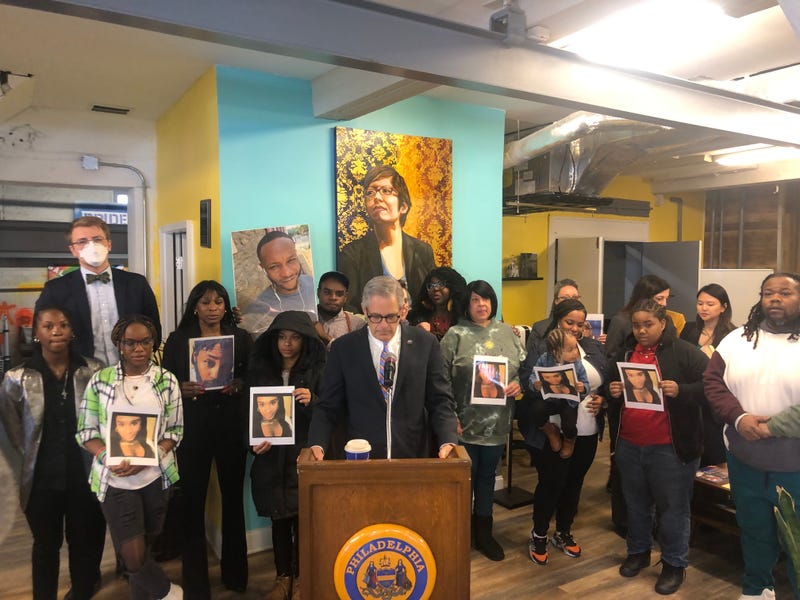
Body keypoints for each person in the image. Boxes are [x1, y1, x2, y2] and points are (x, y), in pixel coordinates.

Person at [704, 272, 800, 600]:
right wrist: (739, 417)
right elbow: (713, 382)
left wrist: (770, 427)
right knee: (755, 532)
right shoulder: (737, 340)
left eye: (785, 293)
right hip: (744, 461)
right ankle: (757, 588)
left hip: (794, 468)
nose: (774, 298)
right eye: (768, 292)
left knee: (797, 542)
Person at [0, 306, 105, 600]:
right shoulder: (17, 378)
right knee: (45, 548)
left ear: (72, 331)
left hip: (85, 476)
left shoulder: (93, 370)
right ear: (37, 333)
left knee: (84, 545)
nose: (56, 330)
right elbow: (14, 429)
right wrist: (35, 455)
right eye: (48, 326)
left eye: (63, 324)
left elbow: (102, 419)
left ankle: (82, 593)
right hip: (42, 481)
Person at [604, 299, 708, 595]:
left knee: (673, 509)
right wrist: (612, 391)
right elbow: (610, 388)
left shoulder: (685, 352)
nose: (641, 330)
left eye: (648, 324)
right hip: (630, 444)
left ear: (663, 323)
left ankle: (674, 564)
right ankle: (638, 553)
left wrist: (682, 390)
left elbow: (713, 387)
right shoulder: (625, 353)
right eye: (636, 325)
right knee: (635, 505)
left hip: (670, 448)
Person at [76, 315, 183, 600]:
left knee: (144, 552)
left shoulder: (167, 381)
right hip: (116, 480)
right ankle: (169, 592)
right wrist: (107, 455)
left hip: (155, 479)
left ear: (153, 344)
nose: (138, 348)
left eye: (145, 341)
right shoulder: (101, 381)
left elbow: (175, 430)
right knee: (133, 556)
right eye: (130, 342)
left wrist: (151, 454)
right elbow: (85, 431)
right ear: (119, 345)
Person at [160, 280, 250, 598]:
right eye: (206, 302)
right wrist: (181, 389)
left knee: (233, 502)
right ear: (194, 306)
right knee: (192, 504)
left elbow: (250, 377)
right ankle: (196, 584)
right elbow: (165, 383)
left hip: (229, 427)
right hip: (193, 429)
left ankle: (236, 575)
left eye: (218, 302)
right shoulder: (178, 340)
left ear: (226, 306)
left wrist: (239, 382)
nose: (212, 308)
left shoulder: (240, 338)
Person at [308, 276, 457, 460]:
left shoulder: (425, 343)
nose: (384, 325)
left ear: (403, 311)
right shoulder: (344, 348)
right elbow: (328, 406)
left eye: (391, 317)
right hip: (360, 459)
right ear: (365, 310)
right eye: (376, 317)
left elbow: (440, 400)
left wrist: (448, 440)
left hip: (413, 459)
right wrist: (317, 444)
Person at [440, 279, 525, 561]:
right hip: (463, 424)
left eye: (486, 299)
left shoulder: (507, 332)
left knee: (488, 480)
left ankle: (485, 535)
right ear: (467, 304)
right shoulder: (455, 335)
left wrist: (516, 384)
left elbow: (519, 370)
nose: (481, 304)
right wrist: (450, 416)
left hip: (497, 423)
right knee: (464, 481)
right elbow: (439, 381)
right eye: (475, 299)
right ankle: (461, 534)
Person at [516, 298, 606, 568]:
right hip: (550, 427)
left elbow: (608, 381)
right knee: (551, 483)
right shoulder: (542, 348)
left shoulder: (592, 348)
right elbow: (526, 380)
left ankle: (563, 532)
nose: (575, 328)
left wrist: (604, 401)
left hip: (586, 429)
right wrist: (540, 386)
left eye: (580, 324)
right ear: (557, 321)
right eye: (570, 322)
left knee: (574, 483)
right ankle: (539, 534)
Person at [249, 310, 326, 600]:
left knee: (304, 520)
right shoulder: (261, 371)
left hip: (302, 456)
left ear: (305, 340)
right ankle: (283, 578)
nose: (288, 344)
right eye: (282, 337)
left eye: (295, 337)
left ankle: (303, 579)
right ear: (274, 339)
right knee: (278, 519)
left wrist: (313, 401)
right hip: (270, 460)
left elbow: (332, 412)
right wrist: (253, 443)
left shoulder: (318, 371)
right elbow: (248, 415)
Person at [35, 216, 161, 366]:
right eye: (82, 241)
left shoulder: (136, 283)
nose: (91, 246)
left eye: (97, 239)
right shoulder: (55, 290)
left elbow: (154, 329)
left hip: (131, 372)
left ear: (109, 244)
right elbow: (41, 336)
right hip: (80, 374)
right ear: (73, 250)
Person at [338, 165, 436, 315]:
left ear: (403, 206)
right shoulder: (353, 253)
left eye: (386, 191)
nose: (376, 197)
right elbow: (349, 305)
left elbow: (433, 299)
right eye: (370, 193)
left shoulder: (422, 251)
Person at [681, 283, 735, 466]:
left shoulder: (732, 335)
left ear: (723, 307)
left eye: (710, 304)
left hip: (714, 400)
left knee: (713, 451)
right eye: (700, 303)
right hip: (690, 395)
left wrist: (711, 358)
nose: (704, 308)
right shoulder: (689, 329)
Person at [239, 231, 317, 338]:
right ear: (263, 268)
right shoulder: (258, 313)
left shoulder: (313, 283)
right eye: (274, 266)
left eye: (291, 260)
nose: (286, 273)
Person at [529, 329, 589, 459]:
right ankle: (549, 430)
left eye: (575, 348)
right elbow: (533, 376)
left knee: (569, 423)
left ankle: (569, 439)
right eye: (570, 349)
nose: (575, 352)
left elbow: (585, 383)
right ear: (556, 351)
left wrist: (582, 388)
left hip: (569, 401)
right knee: (535, 410)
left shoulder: (577, 365)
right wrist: (535, 384)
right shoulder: (544, 359)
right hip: (549, 399)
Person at [604, 274, 679, 359]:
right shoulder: (621, 321)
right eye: (659, 298)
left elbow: (673, 351)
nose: (664, 304)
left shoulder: (667, 320)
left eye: (666, 298)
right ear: (644, 297)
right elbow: (611, 355)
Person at [407, 266, 467, 340]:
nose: (435, 289)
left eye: (441, 284)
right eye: (431, 285)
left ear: (452, 287)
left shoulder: (462, 316)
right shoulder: (418, 315)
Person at [313, 270, 366, 346]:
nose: (333, 297)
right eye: (327, 292)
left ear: (345, 297)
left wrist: (325, 337)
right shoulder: (306, 319)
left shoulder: (357, 325)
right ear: (318, 292)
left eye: (339, 294)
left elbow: (356, 355)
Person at [528, 279, 582, 347]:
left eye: (575, 298)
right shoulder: (540, 329)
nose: (571, 302)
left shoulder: (585, 328)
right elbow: (532, 356)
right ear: (556, 301)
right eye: (565, 298)